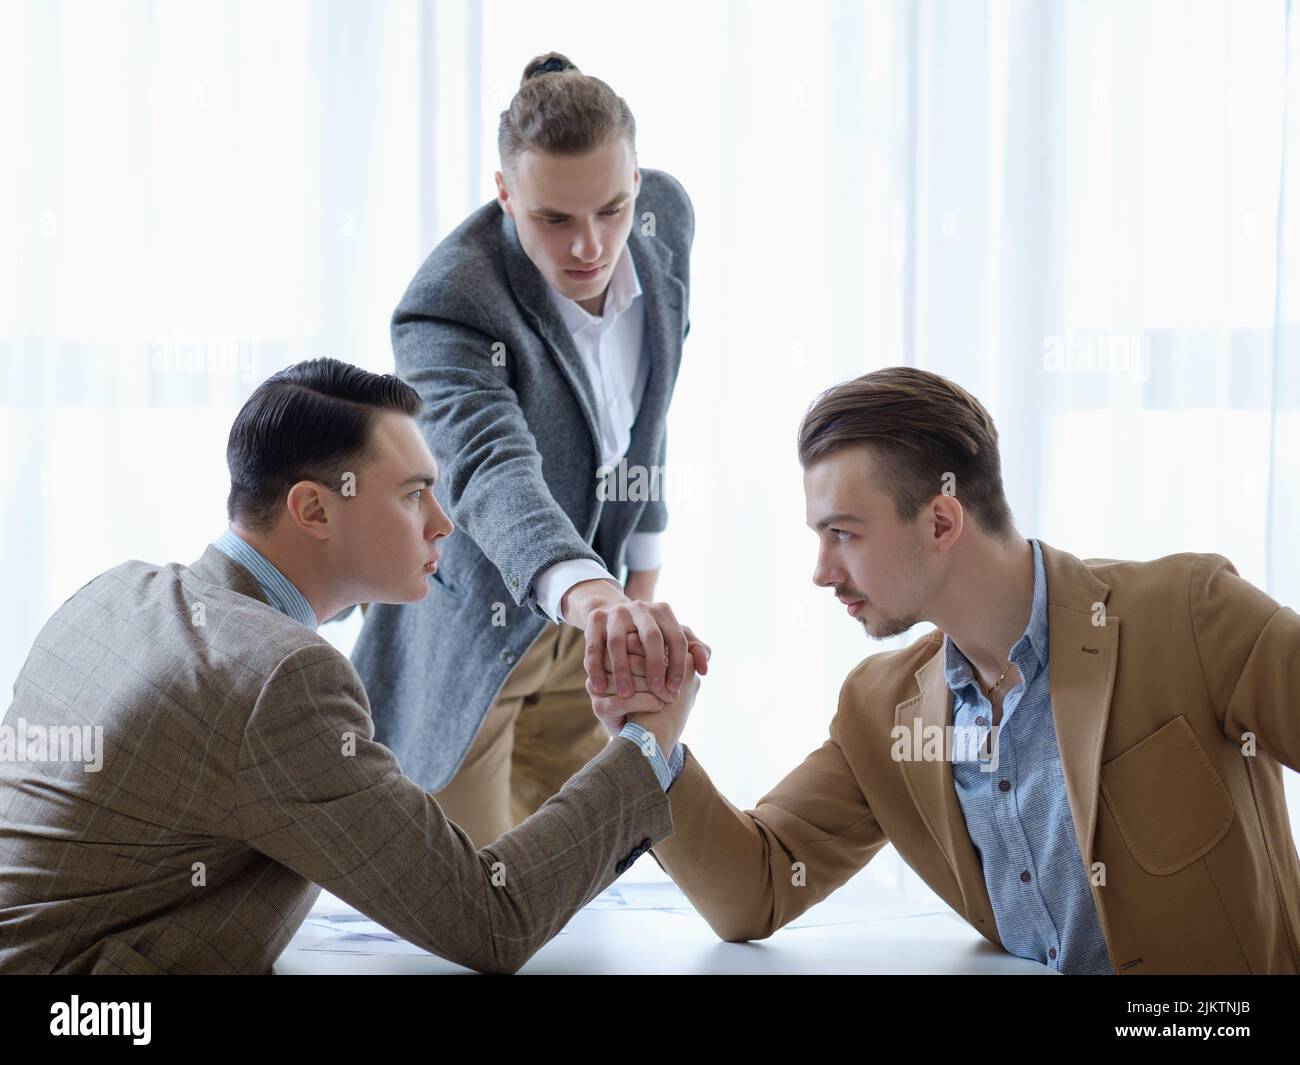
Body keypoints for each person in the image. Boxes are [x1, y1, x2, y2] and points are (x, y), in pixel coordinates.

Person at [0, 358, 704, 975]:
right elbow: (492, 916)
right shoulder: (280, 676)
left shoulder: (115, 591)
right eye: (412, 493)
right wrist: (647, 741)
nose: (443, 523)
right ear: (313, 508)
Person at [594, 366, 1300, 974]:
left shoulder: (1190, 613)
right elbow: (757, 885)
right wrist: (650, 742)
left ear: (940, 521)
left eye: (843, 533)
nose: (820, 571)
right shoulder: (881, 709)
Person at [350, 51, 704, 846]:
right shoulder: (449, 301)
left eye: (611, 209)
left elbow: (652, 402)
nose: (590, 246)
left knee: (589, 881)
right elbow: (488, 466)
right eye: (554, 219)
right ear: (505, 193)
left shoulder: (668, 221)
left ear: (639, 182)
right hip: (476, 629)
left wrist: (638, 581)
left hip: (595, 628)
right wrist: (591, 594)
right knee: (469, 908)